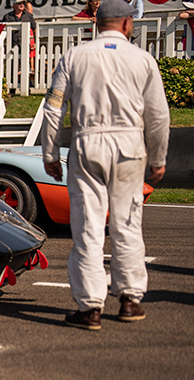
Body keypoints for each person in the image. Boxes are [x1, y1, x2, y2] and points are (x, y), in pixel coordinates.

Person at [40, 0, 169, 330]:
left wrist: (50, 155)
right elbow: (158, 116)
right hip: (129, 145)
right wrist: (158, 159)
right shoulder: (142, 59)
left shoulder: (75, 56)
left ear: (97, 23)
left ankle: (90, 306)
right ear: (127, 24)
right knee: (127, 223)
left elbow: (54, 108)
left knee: (88, 227)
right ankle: (130, 299)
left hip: (88, 143)